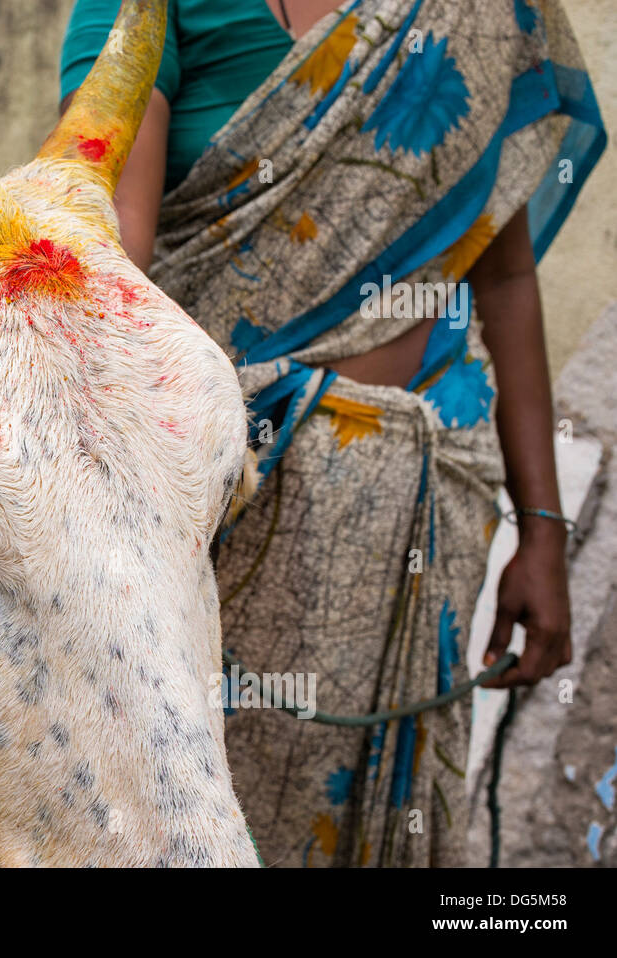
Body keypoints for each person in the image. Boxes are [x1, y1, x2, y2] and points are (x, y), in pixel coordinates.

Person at [60, 0, 605, 866]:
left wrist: (542, 528)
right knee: (195, 803)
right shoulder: (146, 10)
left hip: (425, 503)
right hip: (216, 499)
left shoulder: (472, 14)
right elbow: (113, 251)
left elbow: (503, 273)